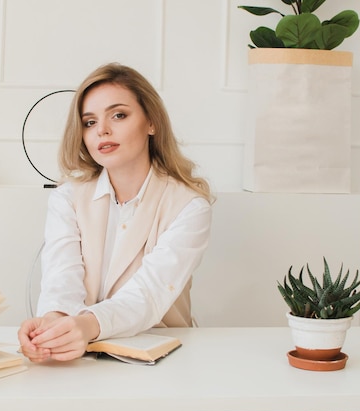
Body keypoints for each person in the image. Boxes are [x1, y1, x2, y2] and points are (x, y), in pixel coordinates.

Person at [18, 62, 213, 362]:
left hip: (162, 360)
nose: (103, 130)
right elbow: (61, 278)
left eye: (118, 115)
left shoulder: (188, 206)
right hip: (81, 360)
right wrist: (53, 323)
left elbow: (149, 294)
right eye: (89, 122)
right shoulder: (67, 197)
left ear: (151, 122)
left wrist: (86, 325)